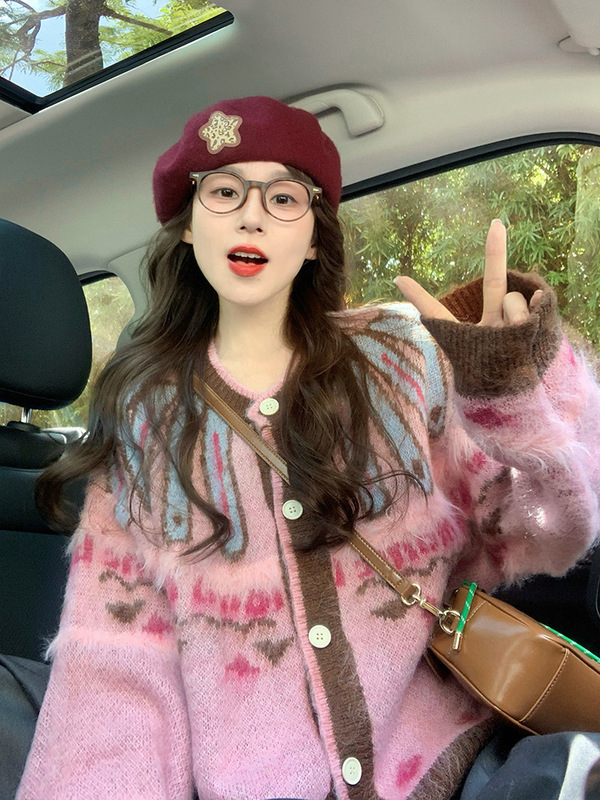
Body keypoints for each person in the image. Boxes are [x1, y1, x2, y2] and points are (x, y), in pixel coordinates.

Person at [16, 96, 600, 800]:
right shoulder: (147, 420)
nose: (251, 216)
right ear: (190, 228)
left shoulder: (399, 358)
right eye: (224, 193)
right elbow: (115, 663)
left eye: (284, 198)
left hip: (445, 767)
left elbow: (549, 535)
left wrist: (509, 389)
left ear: (316, 238)